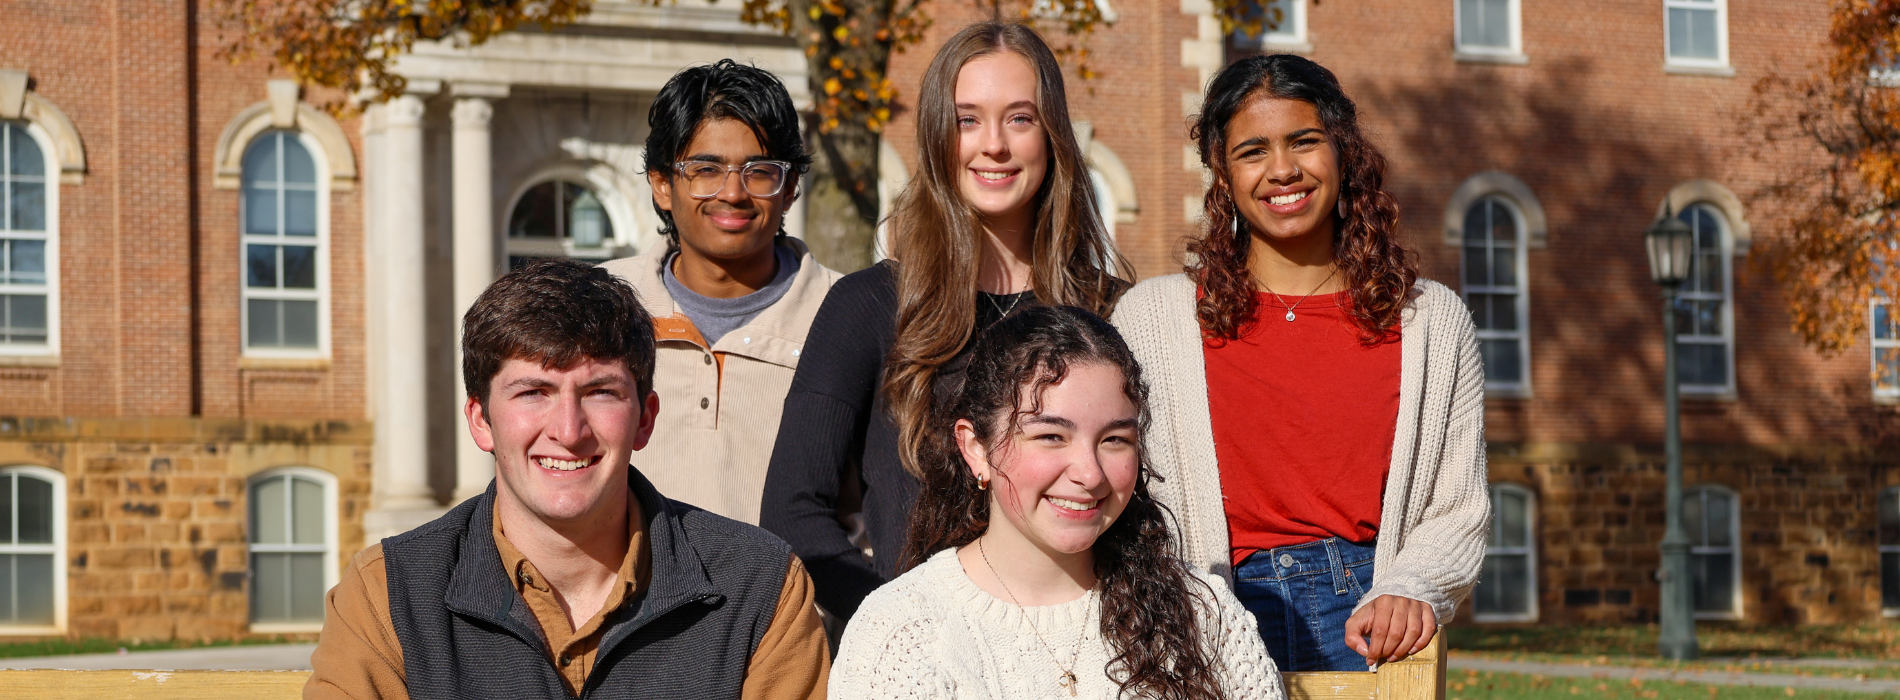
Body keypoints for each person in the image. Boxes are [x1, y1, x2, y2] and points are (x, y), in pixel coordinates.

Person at [1111, 54, 1489, 672]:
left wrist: (1413, 587)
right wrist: (1172, 610)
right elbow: (1127, 495)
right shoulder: (1153, 320)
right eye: (1252, 151)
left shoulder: (1429, 321)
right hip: (1205, 620)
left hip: (1371, 626)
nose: (1282, 169)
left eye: (1304, 142)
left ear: (1342, 152)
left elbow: (1457, 506)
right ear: (1222, 173)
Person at [306, 260, 829, 699]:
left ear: (645, 419)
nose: (568, 431)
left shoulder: (759, 590)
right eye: (533, 392)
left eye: (601, 392)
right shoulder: (388, 595)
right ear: (480, 420)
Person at [760, 21, 1130, 625]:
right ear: (937, 137)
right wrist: (898, 622)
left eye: (1020, 118)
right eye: (967, 120)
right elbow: (792, 511)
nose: (994, 145)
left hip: (1084, 651)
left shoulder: (1112, 312)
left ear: (1053, 135)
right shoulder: (869, 306)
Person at [829, 305, 1282, 699]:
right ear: (976, 449)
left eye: (1114, 439)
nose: (1089, 473)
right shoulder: (901, 633)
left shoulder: (1202, 614)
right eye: (1051, 436)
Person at [599, 59, 840, 525]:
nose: (733, 192)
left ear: (790, 188)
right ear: (662, 184)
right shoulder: (600, 308)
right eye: (706, 169)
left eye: (760, 170)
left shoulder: (850, 316)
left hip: (796, 599)